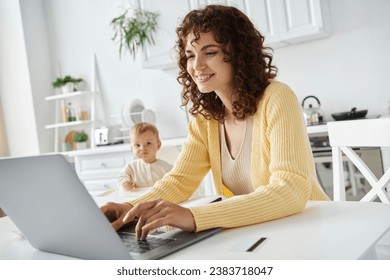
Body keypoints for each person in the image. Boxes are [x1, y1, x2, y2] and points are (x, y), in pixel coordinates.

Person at [101, 4, 330, 240]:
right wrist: (130, 209)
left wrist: (194, 217)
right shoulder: (206, 117)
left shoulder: (278, 99)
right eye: (190, 55)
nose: (197, 65)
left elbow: (290, 190)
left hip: (311, 227)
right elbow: (181, 180)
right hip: (263, 232)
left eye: (210, 52)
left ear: (238, 54)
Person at [117, 122, 172, 190]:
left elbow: (175, 179)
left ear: (158, 145)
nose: (142, 148)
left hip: (160, 198)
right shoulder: (131, 167)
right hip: (139, 198)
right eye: (137, 145)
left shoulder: (166, 167)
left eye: (148, 143)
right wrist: (125, 182)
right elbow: (121, 177)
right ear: (132, 148)